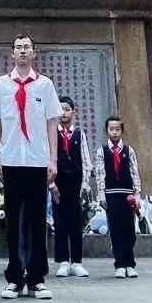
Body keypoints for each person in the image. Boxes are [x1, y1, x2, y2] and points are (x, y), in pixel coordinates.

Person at [0, 34, 62, 300]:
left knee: (37, 220)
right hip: (10, 160)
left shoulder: (45, 85)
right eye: (18, 48)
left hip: (36, 161)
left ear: (34, 53)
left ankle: (37, 278)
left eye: (27, 47)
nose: (22, 52)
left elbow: (52, 123)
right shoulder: (0, 85)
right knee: (13, 222)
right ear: (11, 54)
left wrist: (52, 159)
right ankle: (15, 278)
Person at [96, 115, 142, 279]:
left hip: (127, 195)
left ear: (122, 131)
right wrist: (101, 195)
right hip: (111, 195)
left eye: (117, 129)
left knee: (128, 229)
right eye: (111, 129)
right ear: (107, 130)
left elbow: (134, 173)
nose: (114, 132)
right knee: (115, 230)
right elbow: (101, 175)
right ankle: (120, 264)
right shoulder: (102, 151)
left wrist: (137, 195)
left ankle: (130, 263)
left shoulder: (129, 151)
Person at [51, 95, 91, 279]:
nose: (63, 113)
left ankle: (77, 261)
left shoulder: (79, 134)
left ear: (73, 111)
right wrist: (51, 184)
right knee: (59, 223)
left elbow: (85, 161)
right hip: (58, 184)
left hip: (76, 184)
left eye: (67, 109)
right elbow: (47, 159)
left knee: (76, 223)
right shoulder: (51, 133)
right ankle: (63, 261)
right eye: (60, 109)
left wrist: (85, 185)